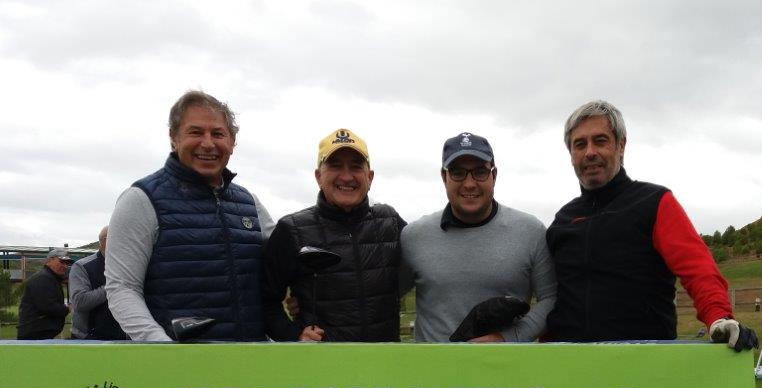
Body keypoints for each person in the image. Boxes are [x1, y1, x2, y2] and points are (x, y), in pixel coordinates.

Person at [545, 100, 757, 349]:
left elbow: (698, 269)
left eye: (600, 141)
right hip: (569, 361)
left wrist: (718, 316)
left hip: (645, 360)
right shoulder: (562, 221)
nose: (590, 152)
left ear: (621, 145)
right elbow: (549, 297)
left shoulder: (654, 202)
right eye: (580, 144)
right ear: (571, 154)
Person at [106, 90, 274, 342]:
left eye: (218, 134)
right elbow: (122, 288)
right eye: (196, 132)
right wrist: (162, 347)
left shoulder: (249, 202)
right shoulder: (140, 199)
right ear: (174, 138)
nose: (208, 143)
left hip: (251, 359)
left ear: (232, 142)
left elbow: (285, 263)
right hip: (178, 361)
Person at [400, 132, 555, 342]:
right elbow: (382, 299)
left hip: (506, 363)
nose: (469, 183)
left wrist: (507, 338)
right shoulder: (413, 237)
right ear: (444, 177)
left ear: (494, 175)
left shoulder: (532, 232)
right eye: (458, 173)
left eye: (480, 172)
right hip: (430, 364)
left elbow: (550, 299)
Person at [262, 128, 404, 342]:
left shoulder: (390, 222)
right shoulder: (291, 230)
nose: (346, 176)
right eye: (335, 166)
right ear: (319, 176)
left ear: (370, 177)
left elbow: (427, 273)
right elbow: (265, 301)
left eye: (356, 166)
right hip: (321, 360)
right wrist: (293, 335)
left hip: (385, 358)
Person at [69, 226, 126, 340]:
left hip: (122, 338)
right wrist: (112, 287)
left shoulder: (126, 265)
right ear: (106, 240)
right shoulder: (82, 267)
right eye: (122, 238)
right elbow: (80, 302)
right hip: (89, 340)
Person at [17, 248, 72, 340]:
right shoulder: (43, 278)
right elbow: (48, 307)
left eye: (67, 263)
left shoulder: (50, 278)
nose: (65, 266)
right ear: (50, 261)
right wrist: (68, 308)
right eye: (62, 262)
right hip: (34, 336)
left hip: (39, 333)